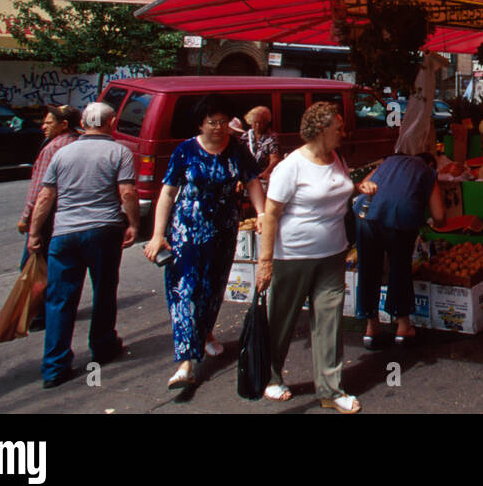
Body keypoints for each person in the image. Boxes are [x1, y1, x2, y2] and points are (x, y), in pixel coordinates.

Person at [144, 97, 262, 390]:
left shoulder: (236, 150)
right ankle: (185, 362)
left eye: (223, 122)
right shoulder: (185, 151)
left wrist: (261, 213)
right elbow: (168, 194)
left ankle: (205, 332)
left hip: (222, 232)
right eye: (213, 122)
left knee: (212, 288)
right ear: (200, 124)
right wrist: (158, 235)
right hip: (186, 233)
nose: (219, 128)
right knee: (184, 290)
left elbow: (253, 182)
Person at [255, 102, 360, 412]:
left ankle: (330, 389)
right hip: (293, 255)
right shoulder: (291, 166)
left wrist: (359, 187)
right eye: (338, 128)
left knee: (329, 322)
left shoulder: (336, 158)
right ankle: (271, 376)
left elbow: (337, 193)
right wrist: (265, 261)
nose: (343, 132)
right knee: (282, 318)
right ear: (320, 130)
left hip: (332, 252)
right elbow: (272, 213)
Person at [28, 102, 137, 388]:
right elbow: (127, 192)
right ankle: (102, 345)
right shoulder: (119, 152)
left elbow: (45, 196)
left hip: (64, 232)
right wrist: (134, 223)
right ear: (111, 122)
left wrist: (35, 232)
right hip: (104, 229)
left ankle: (54, 366)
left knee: (59, 299)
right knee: (103, 290)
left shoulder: (62, 152)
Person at [355, 152, 445, 347]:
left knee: (368, 269)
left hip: (367, 213)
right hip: (400, 217)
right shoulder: (427, 171)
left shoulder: (389, 161)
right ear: (431, 163)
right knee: (399, 268)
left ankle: (371, 329)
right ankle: (403, 328)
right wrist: (431, 220)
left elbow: (363, 185)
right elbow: (439, 215)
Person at [16, 104, 82, 276]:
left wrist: (26, 218)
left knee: (32, 267)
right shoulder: (81, 142)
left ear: (64, 124)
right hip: (72, 216)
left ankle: (35, 302)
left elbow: (39, 190)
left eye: (49, 123)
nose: (43, 126)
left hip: (48, 216)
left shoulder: (53, 148)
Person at [238, 105, 281, 215]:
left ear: (266, 122)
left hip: (262, 175)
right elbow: (238, 158)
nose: (257, 125)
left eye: (261, 122)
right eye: (255, 122)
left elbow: (275, 159)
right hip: (246, 175)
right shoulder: (245, 137)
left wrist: (266, 171)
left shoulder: (271, 138)